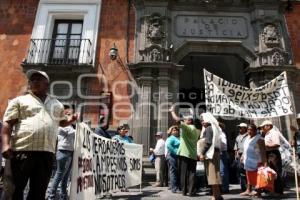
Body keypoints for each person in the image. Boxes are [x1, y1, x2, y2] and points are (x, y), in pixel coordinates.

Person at [1, 70, 78, 200]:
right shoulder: (19, 101)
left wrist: (71, 120)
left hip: (46, 154)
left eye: (38, 79)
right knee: (14, 190)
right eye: (32, 79)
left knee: (39, 192)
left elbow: (62, 122)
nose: (34, 81)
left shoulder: (57, 104)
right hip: (22, 152)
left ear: (47, 84)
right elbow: (7, 124)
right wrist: (5, 145)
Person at [169, 106, 199, 196]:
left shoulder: (188, 128)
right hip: (193, 154)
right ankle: (191, 191)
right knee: (192, 173)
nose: (184, 121)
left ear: (189, 121)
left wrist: (172, 111)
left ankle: (184, 191)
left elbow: (177, 120)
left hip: (184, 154)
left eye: (185, 119)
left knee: (183, 173)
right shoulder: (196, 130)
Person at [47, 105, 76, 200]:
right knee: (59, 174)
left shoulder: (72, 126)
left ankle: (63, 195)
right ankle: (51, 196)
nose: (70, 116)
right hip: (63, 152)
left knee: (66, 176)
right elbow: (68, 133)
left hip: (71, 152)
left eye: (71, 114)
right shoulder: (60, 125)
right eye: (67, 114)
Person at [199, 112, 223, 200]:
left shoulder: (209, 128)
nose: (202, 122)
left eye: (203, 120)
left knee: (213, 176)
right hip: (213, 153)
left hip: (211, 154)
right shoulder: (213, 127)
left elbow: (208, 142)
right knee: (214, 175)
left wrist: (202, 153)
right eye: (201, 121)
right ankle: (218, 195)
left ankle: (215, 196)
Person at [241, 124, 267, 197]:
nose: (249, 131)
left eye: (251, 130)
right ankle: (248, 190)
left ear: (255, 130)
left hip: (257, 161)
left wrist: (265, 162)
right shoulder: (247, 138)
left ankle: (259, 192)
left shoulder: (259, 139)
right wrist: (243, 156)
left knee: (258, 177)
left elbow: (263, 151)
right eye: (248, 129)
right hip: (248, 160)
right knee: (249, 177)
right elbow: (245, 148)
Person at [260, 120, 283, 196]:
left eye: (263, 127)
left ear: (268, 126)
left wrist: (266, 146)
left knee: (276, 172)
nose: (262, 128)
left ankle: (278, 191)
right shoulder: (266, 134)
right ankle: (272, 190)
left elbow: (277, 144)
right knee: (270, 172)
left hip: (273, 153)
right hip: (268, 153)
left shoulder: (274, 133)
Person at [234, 122, 248, 192]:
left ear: (245, 128)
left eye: (241, 127)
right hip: (239, 155)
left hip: (247, 155)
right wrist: (236, 155)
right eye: (239, 127)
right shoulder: (238, 137)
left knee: (248, 171)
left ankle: (250, 187)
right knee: (241, 172)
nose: (239, 129)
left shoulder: (248, 136)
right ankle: (244, 188)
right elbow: (236, 147)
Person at [166, 126, 180, 193]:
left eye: (176, 130)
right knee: (173, 172)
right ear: (171, 132)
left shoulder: (177, 138)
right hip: (172, 156)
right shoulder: (171, 138)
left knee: (173, 171)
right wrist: (175, 152)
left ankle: (172, 186)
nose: (175, 131)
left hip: (175, 156)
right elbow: (168, 145)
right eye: (173, 130)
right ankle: (174, 188)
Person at [219, 122, 229, 194]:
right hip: (219, 153)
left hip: (222, 153)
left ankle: (224, 188)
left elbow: (223, 144)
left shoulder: (222, 134)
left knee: (223, 171)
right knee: (221, 171)